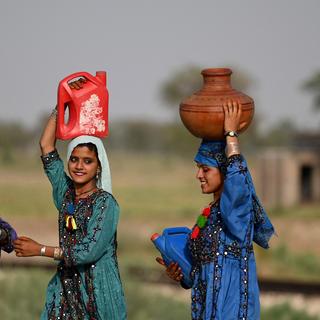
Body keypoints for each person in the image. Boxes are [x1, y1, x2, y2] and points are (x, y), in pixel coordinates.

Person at [13, 80, 127, 319]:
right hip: (66, 292)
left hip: (98, 295)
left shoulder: (105, 204)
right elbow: (46, 145)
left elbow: (87, 252)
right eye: (74, 159)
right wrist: (62, 104)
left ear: (98, 167)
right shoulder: (65, 192)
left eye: (87, 161)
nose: (79, 166)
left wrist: (40, 249)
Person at [156, 100, 274, 320]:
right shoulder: (209, 215)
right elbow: (199, 273)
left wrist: (231, 135)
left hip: (232, 309)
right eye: (198, 168)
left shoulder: (237, 211)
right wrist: (180, 274)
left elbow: (237, 182)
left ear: (225, 171)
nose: (199, 175)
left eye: (205, 169)